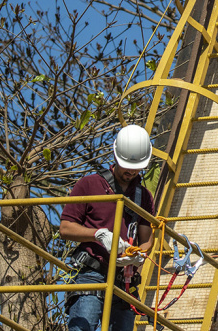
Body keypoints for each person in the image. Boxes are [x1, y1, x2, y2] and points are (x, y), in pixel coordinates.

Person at [60, 124, 156, 331]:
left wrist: (139, 255)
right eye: (126, 166)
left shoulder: (143, 197)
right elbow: (66, 228)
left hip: (124, 280)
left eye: (135, 168)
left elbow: (146, 238)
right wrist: (98, 235)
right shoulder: (89, 185)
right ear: (115, 156)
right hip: (91, 272)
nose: (131, 172)